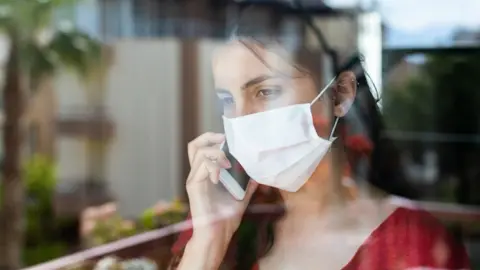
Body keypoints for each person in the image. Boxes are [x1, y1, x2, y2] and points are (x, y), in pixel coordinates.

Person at [168, 6, 471, 270]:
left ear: (340, 95)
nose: (241, 118)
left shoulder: (412, 244)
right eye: (227, 99)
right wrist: (208, 242)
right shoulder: (227, 226)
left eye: (266, 92)